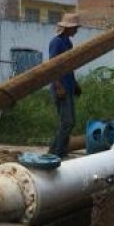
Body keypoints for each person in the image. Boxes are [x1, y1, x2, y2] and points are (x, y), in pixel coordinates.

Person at [48, 12, 82, 157]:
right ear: (68, 28)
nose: (76, 30)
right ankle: (55, 152)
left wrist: (75, 84)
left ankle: (60, 150)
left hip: (68, 86)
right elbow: (52, 67)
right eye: (75, 28)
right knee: (67, 121)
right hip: (60, 87)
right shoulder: (57, 42)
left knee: (70, 122)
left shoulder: (68, 43)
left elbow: (69, 67)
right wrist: (58, 85)